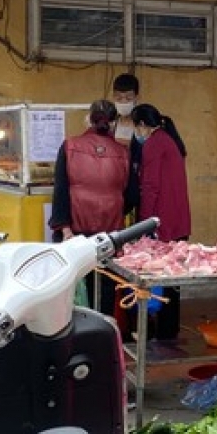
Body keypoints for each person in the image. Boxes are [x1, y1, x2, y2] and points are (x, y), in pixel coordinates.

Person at [49, 99, 135, 314]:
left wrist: (64, 228)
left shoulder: (70, 146)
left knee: (74, 289)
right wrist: (115, 210)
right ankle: (103, 335)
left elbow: (60, 189)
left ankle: (77, 338)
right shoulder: (123, 152)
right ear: (114, 123)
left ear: (89, 118)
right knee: (105, 288)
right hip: (109, 233)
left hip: (76, 231)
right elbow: (132, 194)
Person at [130, 103, 190, 340]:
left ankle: (156, 331)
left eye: (136, 127)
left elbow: (150, 186)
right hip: (177, 218)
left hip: (162, 221)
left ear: (142, 125)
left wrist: (143, 225)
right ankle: (168, 329)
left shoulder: (154, 144)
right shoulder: (170, 140)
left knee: (156, 276)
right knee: (172, 280)